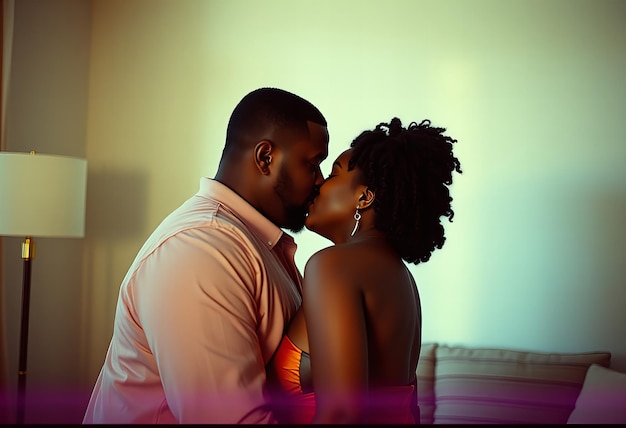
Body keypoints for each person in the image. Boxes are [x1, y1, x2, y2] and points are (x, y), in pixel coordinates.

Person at [82, 87, 330, 424]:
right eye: (313, 164)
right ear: (265, 158)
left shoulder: (248, 242)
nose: (320, 181)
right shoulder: (200, 251)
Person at [266, 117, 462, 424]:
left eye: (333, 174)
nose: (318, 183)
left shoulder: (331, 265)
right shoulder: (403, 279)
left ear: (365, 196)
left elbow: (343, 413)